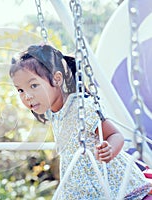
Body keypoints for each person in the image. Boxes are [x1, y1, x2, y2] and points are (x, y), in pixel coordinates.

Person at [9, 44, 152, 199]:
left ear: (57, 79)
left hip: (111, 184)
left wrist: (109, 149)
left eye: (34, 85)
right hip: (81, 186)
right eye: (20, 90)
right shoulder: (52, 112)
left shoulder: (81, 107)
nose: (27, 96)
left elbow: (116, 135)